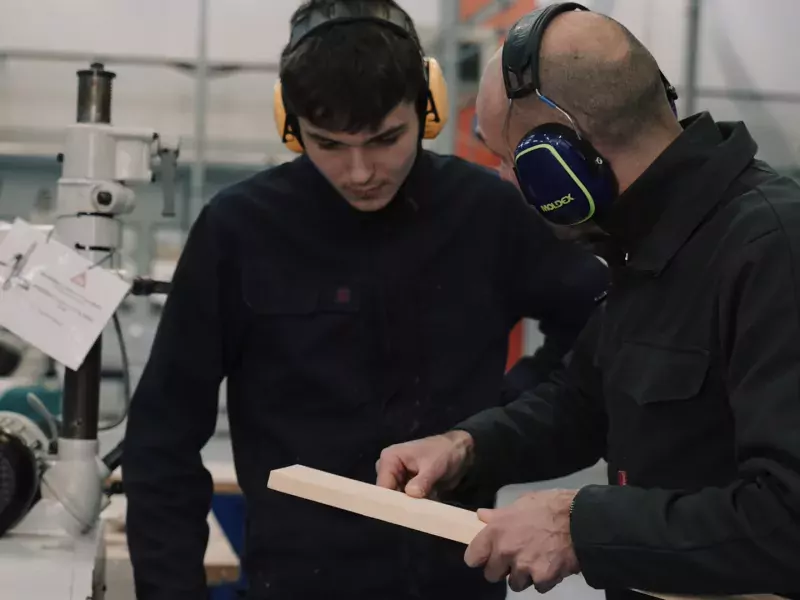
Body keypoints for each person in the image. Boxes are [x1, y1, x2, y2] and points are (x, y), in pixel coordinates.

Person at [121, 1, 609, 599]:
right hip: (294, 582)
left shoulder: (487, 215)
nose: (359, 171)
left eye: (385, 139)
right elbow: (161, 434)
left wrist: (494, 428)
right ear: (291, 123)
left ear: (426, 111)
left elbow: (600, 325)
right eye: (328, 144)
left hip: (453, 581)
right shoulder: (240, 231)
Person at [376, 3, 800, 600]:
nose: (504, 182)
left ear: (561, 163)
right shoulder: (650, 244)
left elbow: (787, 520)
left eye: (510, 159)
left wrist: (580, 529)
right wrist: (467, 447)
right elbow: (582, 405)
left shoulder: (771, 251)